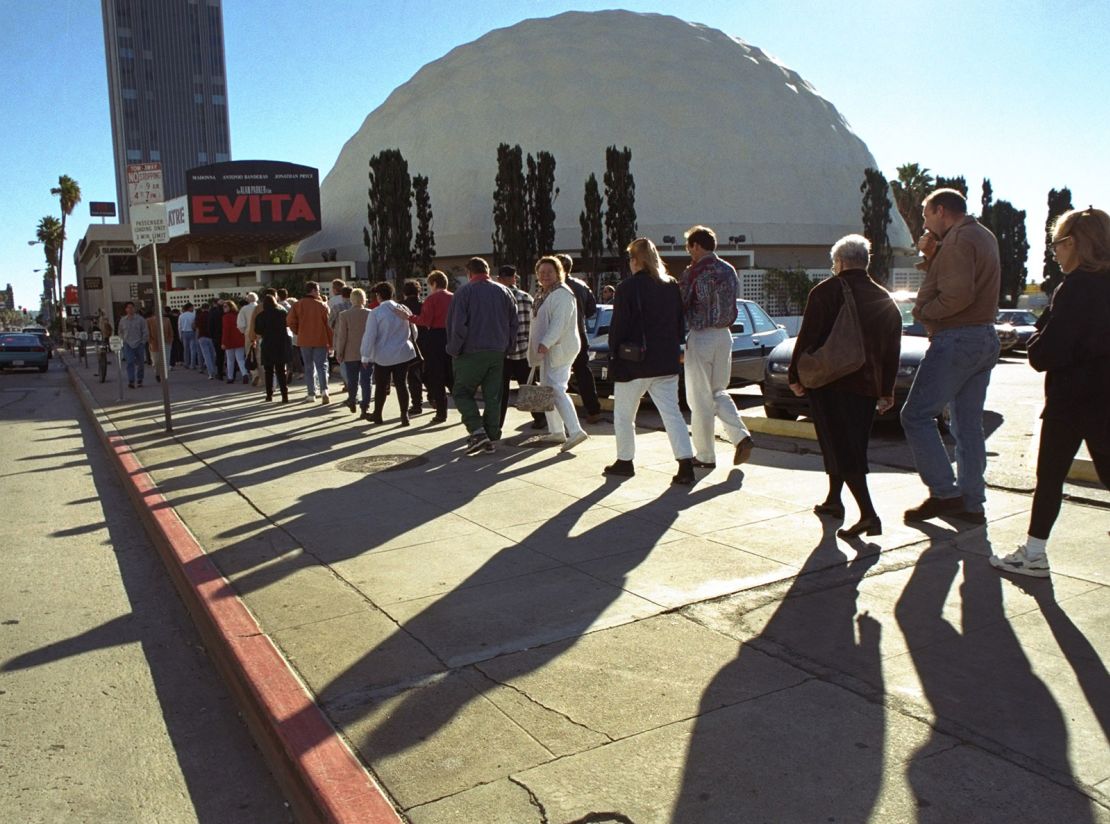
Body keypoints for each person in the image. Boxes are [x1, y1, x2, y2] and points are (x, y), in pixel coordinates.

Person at [990, 208, 1110, 576]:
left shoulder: (1074, 288)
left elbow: (1043, 353)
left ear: (1074, 244)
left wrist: (1038, 341)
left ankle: (1034, 554)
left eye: (1058, 243)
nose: (1055, 251)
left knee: (1050, 477)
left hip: (1071, 400)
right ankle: (1033, 552)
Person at [788, 235, 902, 538]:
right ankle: (833, 500)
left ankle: (869, 515)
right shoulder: (884, 298)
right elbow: (892, 349)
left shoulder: (826, 291)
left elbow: (808, 337)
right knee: (847, 445)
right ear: (865, 261)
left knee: (842, 448)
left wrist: (795, 376)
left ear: (839, 262)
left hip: (831, 383)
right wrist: (886, 389)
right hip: (866, 388)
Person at [901, 188, 1001, 524]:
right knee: (967, 425)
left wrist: (924, 312)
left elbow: (956, 294)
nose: (925, 223)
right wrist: (932, 255)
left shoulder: (958, 241)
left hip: (958, 337)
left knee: (915, 415)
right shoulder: (981, 235)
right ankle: (971, 503)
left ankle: (945, 492)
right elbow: (956, 281)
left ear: (941, 211)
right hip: (983, 336)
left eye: (927, 214)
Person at [605, 238, 696, 484]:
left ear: (635, 260)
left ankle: (625, 461)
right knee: (672, 414)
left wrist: (613, 354)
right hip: (665, 361)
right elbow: (679, 323)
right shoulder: (670, 285)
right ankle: (685, 463)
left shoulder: (627, 288)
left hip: (634, 362)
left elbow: (619, 327)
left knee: (624, 415)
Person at [679, 225, 754, 468]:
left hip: (701, 336)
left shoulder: (694, 273)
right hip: (724, 336)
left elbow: (681, 306)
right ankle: (740, 435)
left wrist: (678, 342)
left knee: (699, 398)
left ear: (697, 246)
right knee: (718, 391)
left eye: (689, 247)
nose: (689, 252)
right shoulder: (729, 270)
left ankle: (705, 456)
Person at [446, 257, 518, 454]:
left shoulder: (463, 293)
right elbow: (514, 323)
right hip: (498, 351)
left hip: (471, 351)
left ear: (469, 273)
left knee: (461, 392)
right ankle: (491, 434)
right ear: (488, 270)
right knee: (493, 395)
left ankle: (477, 432)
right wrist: (508, 347)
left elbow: (457, 326)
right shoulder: (505, 292)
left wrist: (453, 350)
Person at [528, 256, 589, 452]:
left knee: (556, 389)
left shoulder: (562, 294)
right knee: (547, 388)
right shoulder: (544, 294)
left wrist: (545, 343)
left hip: (560, 347)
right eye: (541, 272)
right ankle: (556, 431)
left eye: (549, 272)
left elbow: (559, 323)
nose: (545, 275)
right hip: (550, 348)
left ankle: (575, 430)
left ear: (558, 273)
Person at [360, 282, 419, 426]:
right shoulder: (403, 308)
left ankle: (378, 415)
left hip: (383, 355)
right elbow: (414, 331)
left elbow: (370, 335)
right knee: (401, 384)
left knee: (381, 385)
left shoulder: (376, 312)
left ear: (379, 296)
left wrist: (365, 355)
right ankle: (404, 415)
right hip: (403, 353)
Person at [495, 265, 546, 431]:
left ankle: (497, 424)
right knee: (529, 385)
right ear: (515, 278)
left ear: (500, 279)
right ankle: (541, 418)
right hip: (524, 349)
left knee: (500, 389)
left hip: (504, 351)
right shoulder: (527, 297)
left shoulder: (497, 298)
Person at [556, 253, 603, 423]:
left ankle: (552, 415)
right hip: (580, 333)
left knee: (555, 375)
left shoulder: (554, 287)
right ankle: (593, 410)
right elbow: (592, 309)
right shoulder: (581, 285)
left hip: (559, 337)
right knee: (583, 372)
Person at [416, 271, 454, 423]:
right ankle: (466, 408)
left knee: (437, 377)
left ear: (434, 283)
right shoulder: (455, 297)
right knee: (452, 376)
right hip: (452, 337)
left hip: (435, 338)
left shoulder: (431, 299)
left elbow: (426, 321)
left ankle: (441, 412)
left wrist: (410, 318)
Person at [286, 280, 333, 402]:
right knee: (322, 366)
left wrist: (298, 331)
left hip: (304, 339)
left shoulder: (297, 305)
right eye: (318, 290)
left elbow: (290, 321)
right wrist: (331, 342)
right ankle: (324, 390)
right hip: (320, 339)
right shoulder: (322, 305)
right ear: (312, 291)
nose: (319, 292)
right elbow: (329, 325)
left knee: (308, 367)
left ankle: (311, 394)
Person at [334, 288, 373, 416]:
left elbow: (342, 336)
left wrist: (339, 352)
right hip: (367, 353)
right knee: (366, 381)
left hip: (350, 353)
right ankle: (365, 405)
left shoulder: (344, 315)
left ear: (351, 299)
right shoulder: (370, 313)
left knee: (352, 380)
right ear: (364, 299)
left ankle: (352, 399)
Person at [253, 294, 292, 403]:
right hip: (280, 344)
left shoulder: (261, 316)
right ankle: (285, 395)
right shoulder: (282, 313)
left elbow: (258, 330)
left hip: (268, 344)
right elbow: (288, 324)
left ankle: (269, 395)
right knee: (281, 371)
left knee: (268, 371)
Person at [400, 280, 425, 415]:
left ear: (404, 293)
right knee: (428, 373)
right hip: (426, 342)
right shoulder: (424, 305)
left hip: (409, 344)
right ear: (419, 291)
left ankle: (417, 404)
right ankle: (433, 397)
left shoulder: (401, 307)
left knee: (413, 376)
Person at [117, 301, 148, 389]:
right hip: (128, 345)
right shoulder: (123, 320)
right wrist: (123, 340)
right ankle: (131, 380)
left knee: (141, 363)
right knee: (129, 362)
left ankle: (140, 379)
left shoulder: (140, 319)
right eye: (128, 307)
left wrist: (143, 342)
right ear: (126, 309)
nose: (130, 309)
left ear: (135, 308)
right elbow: (120, 331)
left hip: (139, 344)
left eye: (132, 307)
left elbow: (145, 331)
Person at [221, 299, 248, 383]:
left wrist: (223, 342)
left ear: (230, 307)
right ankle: (244, 373)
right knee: (240, 359)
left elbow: (226, 330)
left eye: (225, 306)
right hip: (239, 339)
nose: (224, 308)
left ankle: (230, 377)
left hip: (230, 340)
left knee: (230, 360)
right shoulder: (238, 315)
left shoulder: (226, 317)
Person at [146, 305, 173, 384]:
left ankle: (164, 376)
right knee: (156, 361)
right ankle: (157, 374)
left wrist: (170, 340)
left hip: (166, 343)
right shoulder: (149, 320)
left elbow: (170, 331)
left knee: (166, 360)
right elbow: (148, 332)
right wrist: (150, 341)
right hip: (155, 343)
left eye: (162, 310)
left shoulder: (167, 320)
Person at [194, 301, 218, 379]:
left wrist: (197, 337)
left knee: (206, 355)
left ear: (202, 308)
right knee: (213, 355)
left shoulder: (199, 316)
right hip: (211, 337)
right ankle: (214, 370)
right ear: (209, 308)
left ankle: (210, 373)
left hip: (202, 337)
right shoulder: (211, 315)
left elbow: (196, 327)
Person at [209, 298, 225, 378]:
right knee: (229, 355)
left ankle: (220, 372)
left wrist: (212, 336)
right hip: (226, 335)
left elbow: (210, 326)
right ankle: (230, 372)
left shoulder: (213, 313)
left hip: (217, 337)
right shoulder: (226, 313)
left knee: (219, 355)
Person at [178, 302, 196, 369]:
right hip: (192, 332)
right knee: (193, 349)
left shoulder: (181, 316)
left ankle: (186, 363)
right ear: (189, 308)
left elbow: (179, 326)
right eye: (192, 307)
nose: (193, 308)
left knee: (186, 349)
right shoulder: (193, 315)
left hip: (184, 332)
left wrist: (180, 335)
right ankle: (192, 364)